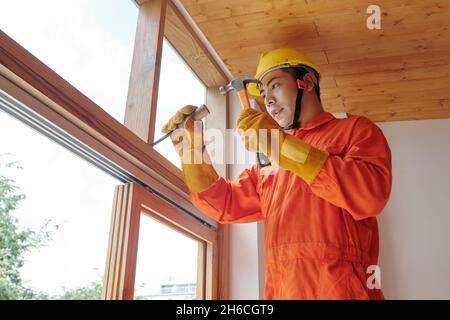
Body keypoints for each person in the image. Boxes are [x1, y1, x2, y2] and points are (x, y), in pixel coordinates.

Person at [161, 48, 392, 300]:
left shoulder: (355, 131)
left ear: (307, 82)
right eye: (263, 93)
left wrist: (279, 145)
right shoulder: (270, 165)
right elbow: (223, 203)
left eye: (275, 86)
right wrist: (192, 153)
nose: (267, 100)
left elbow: (370, 195)